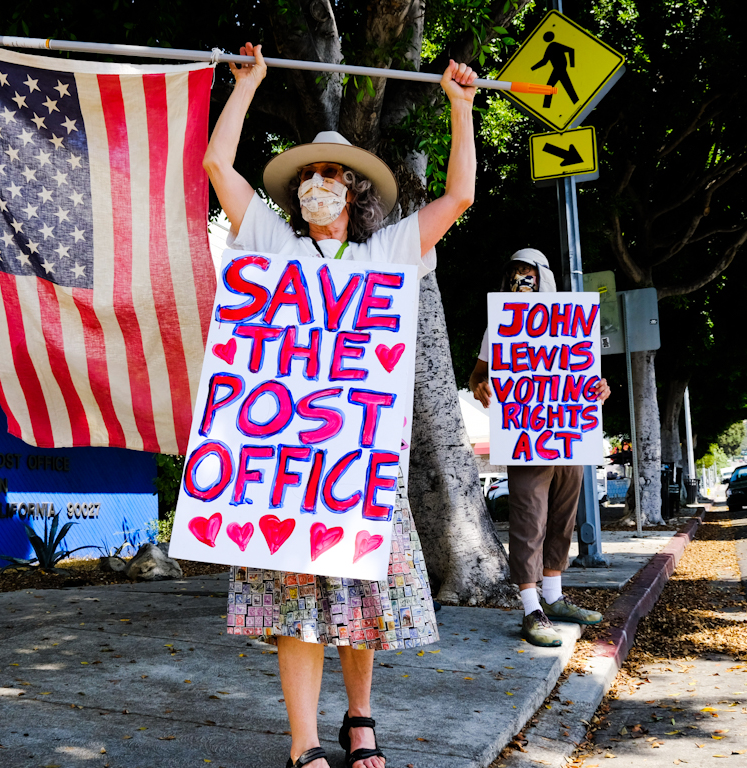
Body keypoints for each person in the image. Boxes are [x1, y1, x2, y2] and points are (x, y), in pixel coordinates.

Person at [202, 42, 479, 768]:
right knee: (296, 605)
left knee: (362, 602)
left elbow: (458, 200)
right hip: (285, 468)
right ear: (294, 192)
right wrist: (247, 86)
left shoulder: (384, 253)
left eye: (332, 174)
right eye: (309, 175)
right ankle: (303, 746)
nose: (319, 183)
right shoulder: (270, 243)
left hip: (361, 465)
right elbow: (214, 168)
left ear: (354, 192)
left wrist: (461, 108)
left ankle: (361, 722)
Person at [467, 250, 609, 647]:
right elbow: (479, 374)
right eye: (514, 274)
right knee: (529, 518)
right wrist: (482, 387)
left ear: (544, 278)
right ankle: (531, 607)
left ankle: (554, 597)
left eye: (528, 274)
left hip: (568, 435)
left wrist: (602, 389)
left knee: (563, 517)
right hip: (526, 434)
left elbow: (588, 375)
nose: (521, 281)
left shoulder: (571, 322)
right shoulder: (500, 324)